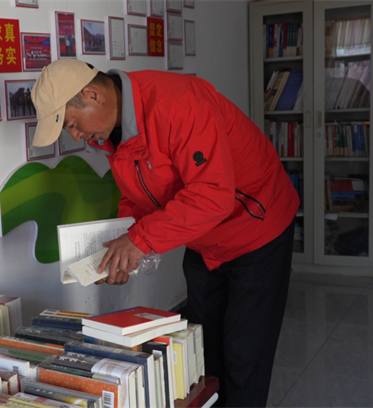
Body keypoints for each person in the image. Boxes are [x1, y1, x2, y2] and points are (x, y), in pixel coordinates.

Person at [29, 59, 299, 408]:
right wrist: (119, 249)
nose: (76, 136)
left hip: (257, 225)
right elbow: (136, 197)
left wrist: (139, 241)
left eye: (71, 124)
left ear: (92, 95)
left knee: (245, 355)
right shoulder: (114, 135)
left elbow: (212, 195)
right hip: (203, 238)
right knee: (202, 348)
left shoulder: (178, 104)